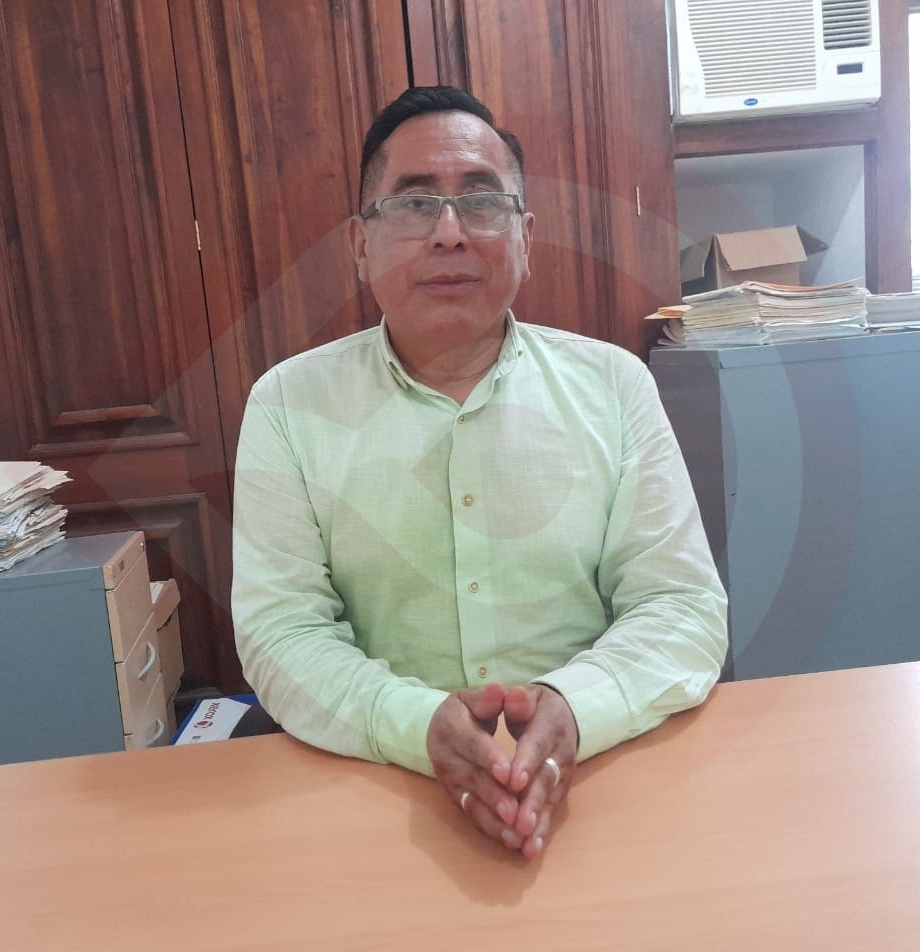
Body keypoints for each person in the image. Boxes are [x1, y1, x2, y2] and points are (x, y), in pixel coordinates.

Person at [231, 86, 727, 860]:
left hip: (598, 780)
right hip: (380, 789)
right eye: (413, 204)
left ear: (524, 238)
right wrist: (414, 723)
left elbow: (681, 605)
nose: (449, 233)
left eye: (481, 201)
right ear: (360, 244)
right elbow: (281, 631)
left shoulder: (615, 387)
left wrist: (575, 706)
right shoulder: (289, 405)